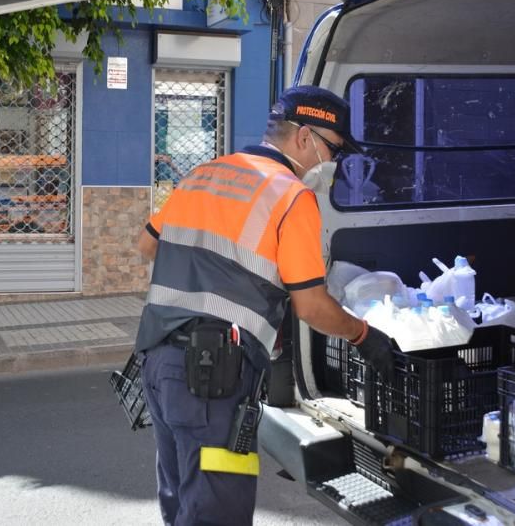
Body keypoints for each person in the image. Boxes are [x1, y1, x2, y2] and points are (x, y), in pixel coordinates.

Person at [134, 86, 395, 526]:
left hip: (158, 359)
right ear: (305, 137)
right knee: (217, 513)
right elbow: (311, 306)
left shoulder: (204, 173)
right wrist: (364, 336)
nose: (330, 163)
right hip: (212, 378)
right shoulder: (291, 197)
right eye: (332, 149)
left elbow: (147, 246)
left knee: (180, 498)